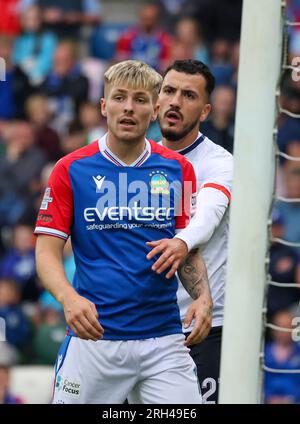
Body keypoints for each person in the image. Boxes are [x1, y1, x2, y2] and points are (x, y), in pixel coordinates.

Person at [34, 60, 209, 404]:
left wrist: (203, 297)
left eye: (141, 100)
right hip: (94, 340)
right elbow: (46, 251)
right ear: (104, 106)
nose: (129, 107)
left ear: (155, 109)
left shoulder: (179, 169)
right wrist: (68, 298)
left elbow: (185, 249)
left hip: (163, 341)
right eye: (119, 98)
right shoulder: (70, 169)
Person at [147, 59, 233, 403]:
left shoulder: (219, 162)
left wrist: (181, 242)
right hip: (139, 327)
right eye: (169, 91)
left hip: (202, 327)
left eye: (188, 95)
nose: (175, 102)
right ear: (156, 100)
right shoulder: (135, 159)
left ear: (205, 110)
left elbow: (209, 212)